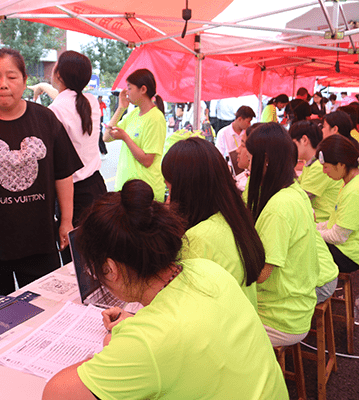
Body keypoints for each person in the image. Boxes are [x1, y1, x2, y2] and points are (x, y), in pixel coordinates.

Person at [42, 179, 287, 400]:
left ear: (110, 268)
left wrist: (117, 350)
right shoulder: (207, 270)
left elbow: (55, 393)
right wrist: (132, 329)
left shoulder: (147, 342)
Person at [0, 48, 82, 297]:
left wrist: (66, 220)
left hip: (39, 241)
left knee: (44, 309)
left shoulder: (46, 119)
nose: (4, 84)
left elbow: (63, 174)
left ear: (25, 81)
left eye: (12, 77)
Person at [162, 138, 265, 310]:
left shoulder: (196, 240)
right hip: (245, 322)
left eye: (170, 190)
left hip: (224, 331)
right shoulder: (233, 216)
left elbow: (181, 308)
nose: (168, 201)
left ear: (185, 188)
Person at [246, 122, 319, 346]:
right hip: (297, 304)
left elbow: (260, 275)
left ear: (265, 160)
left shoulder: (279, 207)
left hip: (279, 316)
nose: (248, 164)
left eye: (251, 158)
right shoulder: (293, 190)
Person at [46, 51, 106, 226]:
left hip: (72, 194)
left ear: (58, 74)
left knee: (75, 251)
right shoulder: (91, 101)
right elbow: (68, 100)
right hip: (97, 185)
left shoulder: (55, 110)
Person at [104, 68, 166, 201]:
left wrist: (125, 138)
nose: (127, 92)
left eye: (130, 88)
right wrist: (121, 108)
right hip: (126, 188)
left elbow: (147, 160)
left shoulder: (156, 118)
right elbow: (106, 137)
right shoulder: (133, 114)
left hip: (145, 192)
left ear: (143, 89)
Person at [316, 134, 359, 274]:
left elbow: (338, 237)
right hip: (344, 247)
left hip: (349, 255)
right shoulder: (347, 182)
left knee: (303, 250)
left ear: (341, 164)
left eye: (326, 167)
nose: (324, 171)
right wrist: (314, 227)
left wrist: (313, 232)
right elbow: (335, 223)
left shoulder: (354, 190)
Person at [290, 120, 342, 223]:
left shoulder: (319, 166)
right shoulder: (312, 163)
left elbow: (299, 199)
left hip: (320, 222)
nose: (290, 148)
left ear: (304, 140)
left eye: (293, 143)